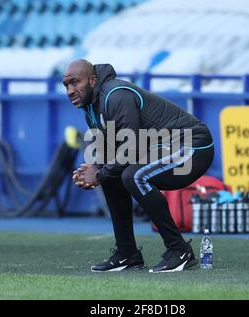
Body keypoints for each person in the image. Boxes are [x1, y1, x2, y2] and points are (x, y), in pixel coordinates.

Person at [63, 59, 214, 272]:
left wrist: (99, 174)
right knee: (111, 175)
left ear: (93, 80)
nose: (70, 90)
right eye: (66, 85)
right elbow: (109, 151)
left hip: (193, 144)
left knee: (133, 175)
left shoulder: (116, 95)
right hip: (162, 148)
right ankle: (127, 254)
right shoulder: (91, 108)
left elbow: (131, 146)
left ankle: (179, 251)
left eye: (75, 82)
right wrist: (95, 169)